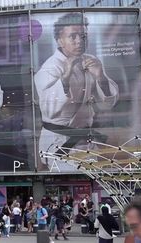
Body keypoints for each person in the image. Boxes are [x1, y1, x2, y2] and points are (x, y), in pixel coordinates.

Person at [34, 12, 119, 171]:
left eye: (83, 36)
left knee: (97, 181)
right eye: (73, 36)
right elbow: (49, 110)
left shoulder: (91, 60)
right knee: (77, 182)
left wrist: (101, 77)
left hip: (86, 141)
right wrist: (64, 78)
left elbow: (109, 103)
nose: (79, 41)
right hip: (59, 142)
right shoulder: (48, 69)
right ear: (60, 40)